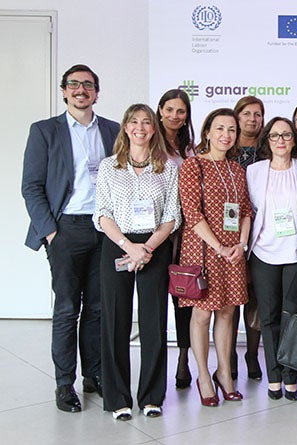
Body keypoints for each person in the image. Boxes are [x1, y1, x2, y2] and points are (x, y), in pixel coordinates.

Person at [21, 64, 119, 413]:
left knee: (97, 308)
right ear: (64, 91)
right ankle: (65, 383)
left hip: (104, 229)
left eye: (88, 85)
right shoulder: (45, 131)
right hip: (65, 229)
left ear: (96, 92)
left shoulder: (112, 130)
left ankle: (94, 374)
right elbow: (31, 185)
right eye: (74, 85)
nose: (81, 90)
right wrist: (50, 231)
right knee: (66, 309)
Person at [94, 103, 181, 420]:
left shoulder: (167, 168)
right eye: (134, 122)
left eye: (146, 122)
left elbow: (172, 217)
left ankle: (151, 397)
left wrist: (146, 249)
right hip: (118, 244)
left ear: (154, 128)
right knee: (115, 322)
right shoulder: (109, 167)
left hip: (153, 246)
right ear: (126, 127)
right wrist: (129, 246)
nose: (141, 127)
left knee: (153, 323)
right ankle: (118, 398)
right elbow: (102, 214)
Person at [179, 108, 252, 407]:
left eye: (231, 130)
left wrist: (242, 244)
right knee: (202, 313)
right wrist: (218, 246)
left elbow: (246, 210)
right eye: (220, 128)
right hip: (202, 249)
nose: (226, 135)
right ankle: (203, 376)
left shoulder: (237, 169)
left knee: (226, 312)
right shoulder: (192, 165)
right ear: (207, 132)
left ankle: (225, 373)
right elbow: (191, 213)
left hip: (233, 252)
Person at [246, 117, 297, 401]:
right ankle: (273, 376)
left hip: (296, 253)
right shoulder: (254, 171)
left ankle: (291, 376)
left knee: (292, 318)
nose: (280, 140)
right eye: (274, 136)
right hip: (263, 254)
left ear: (294, 140)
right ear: (267, 141)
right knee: (268, 319)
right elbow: (248, 212)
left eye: (286, 135)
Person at [156, 88, 196, 389]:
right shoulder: (148, 143)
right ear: (160, 110)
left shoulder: (191, 150)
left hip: (186, 235)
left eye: (180, 111)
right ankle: (156, 366)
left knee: (184, 298)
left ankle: (183, 359)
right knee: (156, 299)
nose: (174, 116)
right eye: (170, 109)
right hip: (156, 233)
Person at [230, 96, 264, 380]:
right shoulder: (225, 148)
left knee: (255, 298)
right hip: (229, 233)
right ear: (237, 117)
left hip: (261, 234)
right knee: (229, 298)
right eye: (247, 114)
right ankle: (228, 357)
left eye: (258, 114)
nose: (253, 119)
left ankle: (252, 355)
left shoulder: (268, 150)